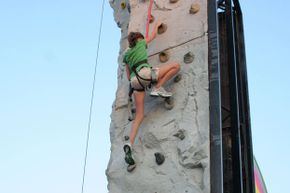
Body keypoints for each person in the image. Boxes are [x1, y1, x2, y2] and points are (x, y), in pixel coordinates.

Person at [123, 21, 180, 170]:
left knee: (139, 115)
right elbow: (153, 35)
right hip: (145, 73)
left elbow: (128, 75)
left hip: (135, 82)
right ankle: (158, 87)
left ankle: (129, 143)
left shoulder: (127, 54)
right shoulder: (141, 43)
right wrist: (157, 25)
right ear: (139, 39)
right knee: (176, 66)